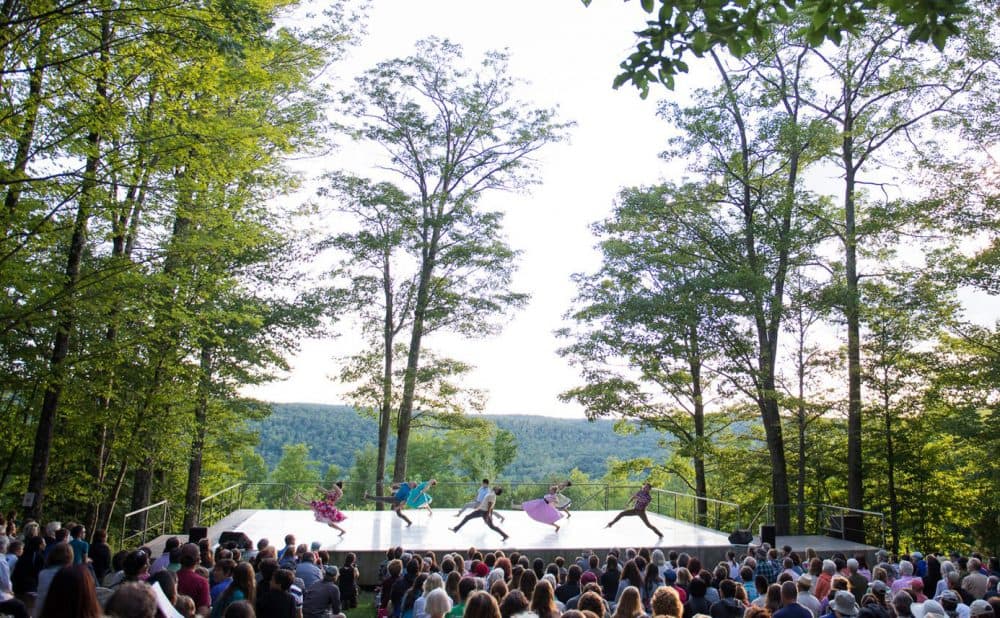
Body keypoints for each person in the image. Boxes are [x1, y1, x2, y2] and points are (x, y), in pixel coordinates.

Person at [176, 543, 210, 615]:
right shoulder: (202, 582)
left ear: (180, 558)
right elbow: (203, 611)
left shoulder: (171, 578)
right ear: (198, 560)